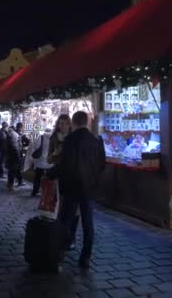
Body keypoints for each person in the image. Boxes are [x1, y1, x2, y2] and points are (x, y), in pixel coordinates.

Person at [59, 111, 105, 270]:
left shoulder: (69, 140)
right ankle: (85, 257)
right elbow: (101, 164)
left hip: (72, 186)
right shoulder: (96, 140)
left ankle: (61, 251)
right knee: (88, 222)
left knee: (65, 220)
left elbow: (64, 164)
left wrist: (52, 175)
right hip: (89, 188)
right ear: (87, 122)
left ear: (74, 122)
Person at [48, 115, 77, 247]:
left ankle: (70, 237)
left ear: (70, 124)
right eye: (61, 123)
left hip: (72, 176)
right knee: (60, 208)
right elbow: (48, 159)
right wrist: (55, 154)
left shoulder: (73, 138)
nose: (63, 126)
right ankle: (62, 236)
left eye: (65, 123)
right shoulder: (54, 138)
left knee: (73, 210)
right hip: (59, 176)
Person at [24, 127, 53, 197]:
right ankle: (48, 193)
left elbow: (34, 147)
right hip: (50, 163)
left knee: (37, 178)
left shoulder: (41, 137)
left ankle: (35, 191)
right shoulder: (54, 137)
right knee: (49, 179)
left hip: (41, 162)